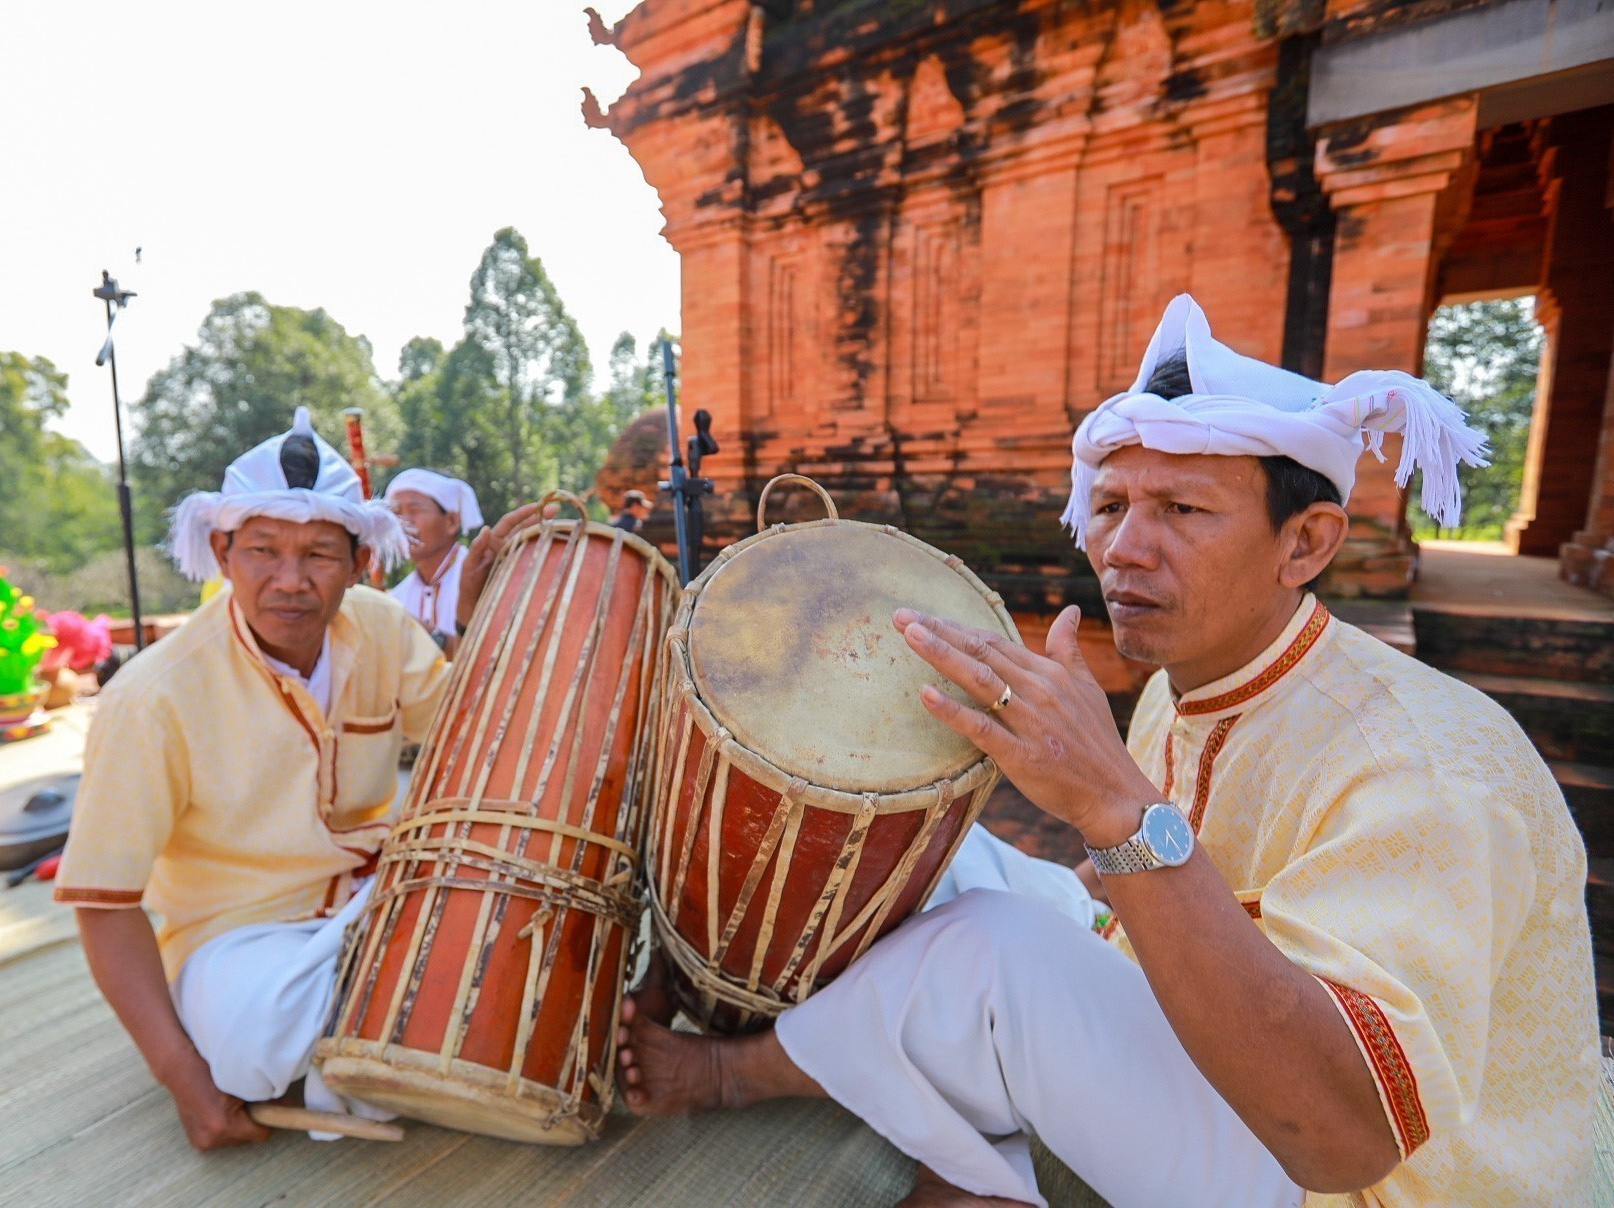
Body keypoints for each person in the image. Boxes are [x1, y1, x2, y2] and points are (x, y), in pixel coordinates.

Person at [615, 296, 1599, 1207]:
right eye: (1116, 503)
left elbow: (1343, 1135)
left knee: (992, 955)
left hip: (1362, 1183)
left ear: (1305, 543)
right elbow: (1165, 872)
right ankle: (928, 1122)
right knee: (941, 854)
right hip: (1214, 1022)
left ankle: (732, 1070)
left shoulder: (1430, 766)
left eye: (1181, 510)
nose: (1124, 546)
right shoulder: (1191, 676)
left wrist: (1114, 807)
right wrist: (1080, 847)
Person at [54, 409, 540, 1151]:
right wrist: (184, 1078)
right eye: (261, 551)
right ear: (222, 552)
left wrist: (476, 621)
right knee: (253, 1038)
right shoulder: (151, 696)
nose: (290, 580)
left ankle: (371, 1031)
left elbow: (470, 734)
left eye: (318, 554)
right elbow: (103, 903)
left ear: (359, 562)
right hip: (238, 939)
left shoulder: (379, 628)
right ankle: (388, 1024)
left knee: (527, 918)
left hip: (381, 895)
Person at [385, 468, 484, 655]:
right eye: (396, 512)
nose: (403, 522)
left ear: (452, 522)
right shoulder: (396, 597)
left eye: (414, 510)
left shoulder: (483, 580)